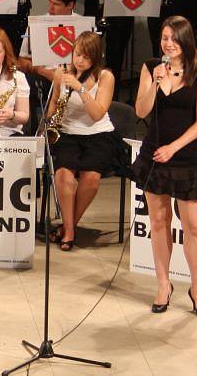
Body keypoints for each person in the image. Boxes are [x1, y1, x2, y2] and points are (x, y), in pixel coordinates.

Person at [131, 16, 197, 319]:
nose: (168, 44)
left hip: (186, 156)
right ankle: (163, 285)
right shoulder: (151, 67)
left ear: (185, 41)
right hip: (154, 155)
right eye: (165, 38)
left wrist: (174, 148)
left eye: (174, 38)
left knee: (194, 226)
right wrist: (154, 83)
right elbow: (141, 110)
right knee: (158, 221)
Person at [45, 32, 122, 251]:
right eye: (77, 54)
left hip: (98, 134)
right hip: (68, 133)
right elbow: (53, 103)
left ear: (95, 58)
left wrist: (80, 88)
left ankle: (67, 228)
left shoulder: (105, 77)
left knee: (91, 179)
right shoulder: (61, 73)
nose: (79, 60)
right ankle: (69, 230)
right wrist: (49, 119)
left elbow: (97, 114)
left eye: (86, 57)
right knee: (63, 175)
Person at [18, 0, 81, 82]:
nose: (50, 9)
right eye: (50, 2)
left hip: (74, 79)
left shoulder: (83, 25)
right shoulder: (36, 24)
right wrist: (44, 72)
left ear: (70, 5)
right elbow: (22, 61)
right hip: (43, 79)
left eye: (56, 4)